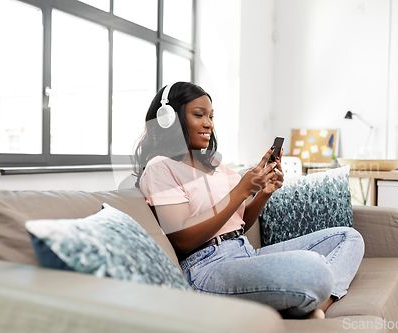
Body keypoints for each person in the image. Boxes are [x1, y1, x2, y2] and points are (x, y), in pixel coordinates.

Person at [133, 82, 364, 319]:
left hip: (244, 253)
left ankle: (318, 306)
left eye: (211, 116)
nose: (208, 123)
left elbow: (239, 223)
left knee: (349, 237)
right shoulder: (160, 167)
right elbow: (182, 240)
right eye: (198, 115)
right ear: (168, 118)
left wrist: (265, 192)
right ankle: (302, 299)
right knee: (314, 269)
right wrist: (241, 191)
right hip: (206, 268)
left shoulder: (213, 164)